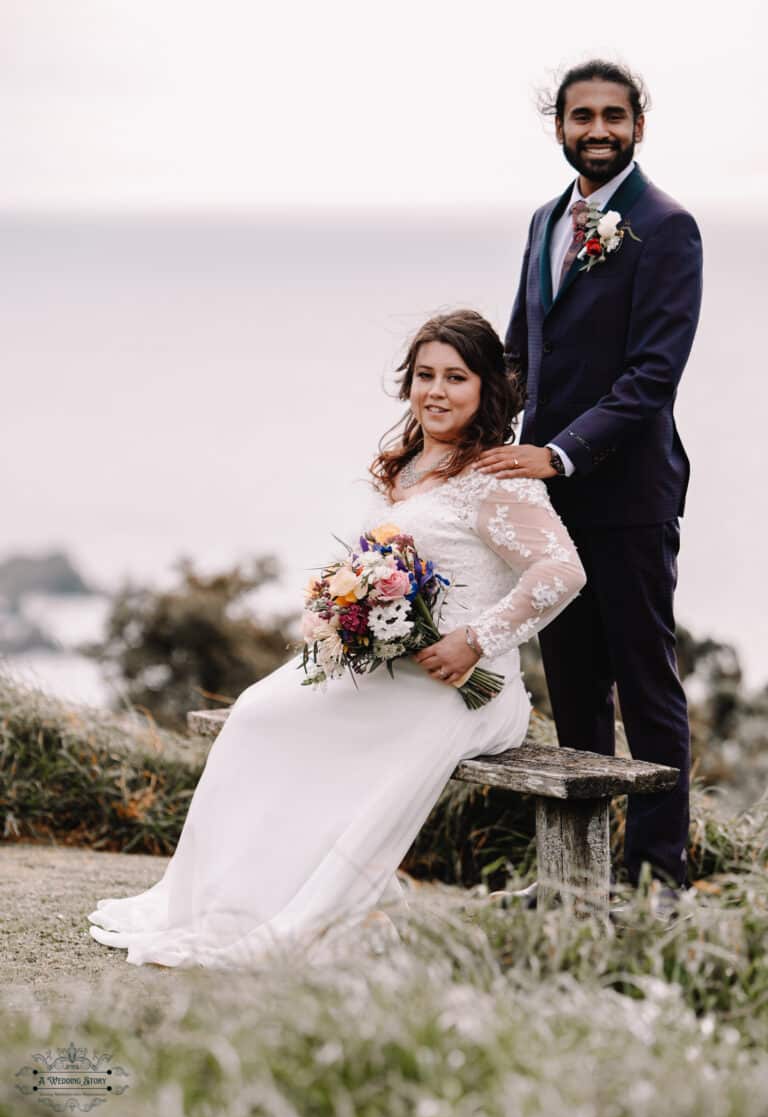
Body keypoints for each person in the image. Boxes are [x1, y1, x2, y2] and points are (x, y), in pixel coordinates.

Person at [88, 310, 585, 969]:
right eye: (424, 376)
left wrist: (474, 639)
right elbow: (380, 562)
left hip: (461, 685)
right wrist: (340, 610)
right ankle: (231, 900)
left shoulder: (496, 479)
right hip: (386, 664)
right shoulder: (411, 464)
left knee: (303, 733)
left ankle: (303, 913)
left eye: (455, 378)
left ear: (487, 388)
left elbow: (562, 571)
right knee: (257, 715)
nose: (436, 391)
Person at [475, 61, 703, 892]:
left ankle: (655, 883)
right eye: (581, 116)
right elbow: (518, 355)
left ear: (638, 124)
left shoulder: (667, 227)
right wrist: (472, 436)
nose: (597, 128)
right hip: (548, 505)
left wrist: (558, 451)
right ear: (560, 126)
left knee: (645, 688)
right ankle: (577, 878)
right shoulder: (545, 221)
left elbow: (651, 378)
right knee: (572, 692)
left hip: (630, 497)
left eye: (613, 115)